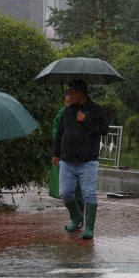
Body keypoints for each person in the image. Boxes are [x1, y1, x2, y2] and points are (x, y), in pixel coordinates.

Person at [53, 80, 109, 239]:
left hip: (87, 161)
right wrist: (55, 153)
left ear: (81, 93)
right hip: (67, 160)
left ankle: (89, 227)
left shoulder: (96, 110)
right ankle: (76, 217)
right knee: (65, 193)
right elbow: (60, 133)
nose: (68, 95)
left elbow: (103, 130)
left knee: (89, 194)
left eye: (71, 92)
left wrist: (86, 120)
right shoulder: (67, 111)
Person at [50, 91, 85, 231]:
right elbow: (56, 133)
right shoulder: (61, 115)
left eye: (70, 102)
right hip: (65, 157)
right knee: (66, 191)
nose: (67, 105)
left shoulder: (81, 113)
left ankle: (79, 218)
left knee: (79, 190)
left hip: (80, 158)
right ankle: (75, 217)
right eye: (66, 102)